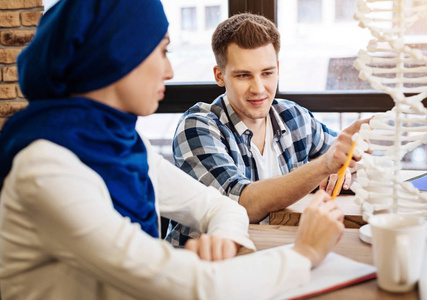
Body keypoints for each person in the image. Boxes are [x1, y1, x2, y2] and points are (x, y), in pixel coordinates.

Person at [0, 1, 346, 299]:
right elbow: (190, 286)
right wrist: (305, 253)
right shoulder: (47, 169)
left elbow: (222, 208)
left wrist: (223, 242)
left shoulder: (127, 147)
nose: (169, 71)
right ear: (118, 57)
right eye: (162, 51)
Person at [167, 13, 368, 246]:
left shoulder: (292, 117)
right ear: (220, 76)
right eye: (243, 75)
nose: (259, 88)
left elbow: (349, 160)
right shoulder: (197, 127)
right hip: (205, 269)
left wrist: (346, 164)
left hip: (273, 255)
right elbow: (239, 206)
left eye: (267, 73)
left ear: (278, 69)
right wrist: (324, 166)